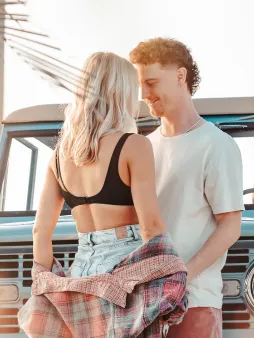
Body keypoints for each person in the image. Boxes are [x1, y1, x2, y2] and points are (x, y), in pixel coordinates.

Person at [130, 37, 245, 337]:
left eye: (151, 82)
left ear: (180, 76)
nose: (144, 94)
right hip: (143, 306)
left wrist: (182, 276)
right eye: (140, 84)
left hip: (195, 302)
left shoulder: (216, 145)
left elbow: (230, 227)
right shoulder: (142, 147)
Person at [31, 51, 167, 278]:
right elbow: (150, 226)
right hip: (126, 274)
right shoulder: (134, 146)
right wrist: (168, 276)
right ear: (120, 93)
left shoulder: (58, 157)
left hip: (81, 275)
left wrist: (45, 284)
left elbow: (40, 231)